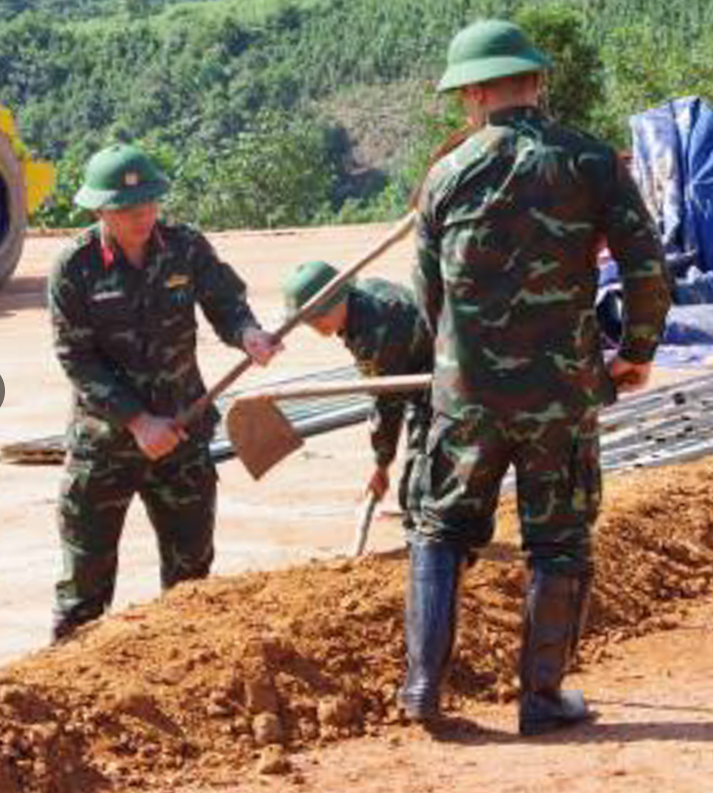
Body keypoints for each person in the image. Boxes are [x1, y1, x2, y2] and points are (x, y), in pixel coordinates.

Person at [403, 18, 671, 735]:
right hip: (559, 392)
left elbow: (427, 296)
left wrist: (459, 360)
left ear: (482, 90)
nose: (464, 105)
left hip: (466, 394)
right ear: (534, 81)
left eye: (464, 93)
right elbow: (647, 270)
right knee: (558, 540)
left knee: (441, 527)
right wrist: (634, 351)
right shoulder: (587, 160)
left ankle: (423, 688)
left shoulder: (445, 172)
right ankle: (541, 697)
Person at [48, 142, 282, 641]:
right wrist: (137, 421)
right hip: (106, 447)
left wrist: (249, 334)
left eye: (150, 203)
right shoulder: (74, 267)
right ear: (100, 209)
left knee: (192, 585)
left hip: (182, 439)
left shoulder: (185, 246)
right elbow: (77, 358)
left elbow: (226, 302)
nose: (143, 217)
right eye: (129, 209)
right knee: (82, 594)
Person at [280, 261, 434, 530]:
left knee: (417, 494)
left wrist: (382, 465)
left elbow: (387, 401)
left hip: (443, 384)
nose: (314, 326)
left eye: (317, 317)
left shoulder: (374, 331)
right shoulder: (362, 298)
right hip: (421, 375)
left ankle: (430, 556)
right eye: (307, 321)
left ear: (339, 301)